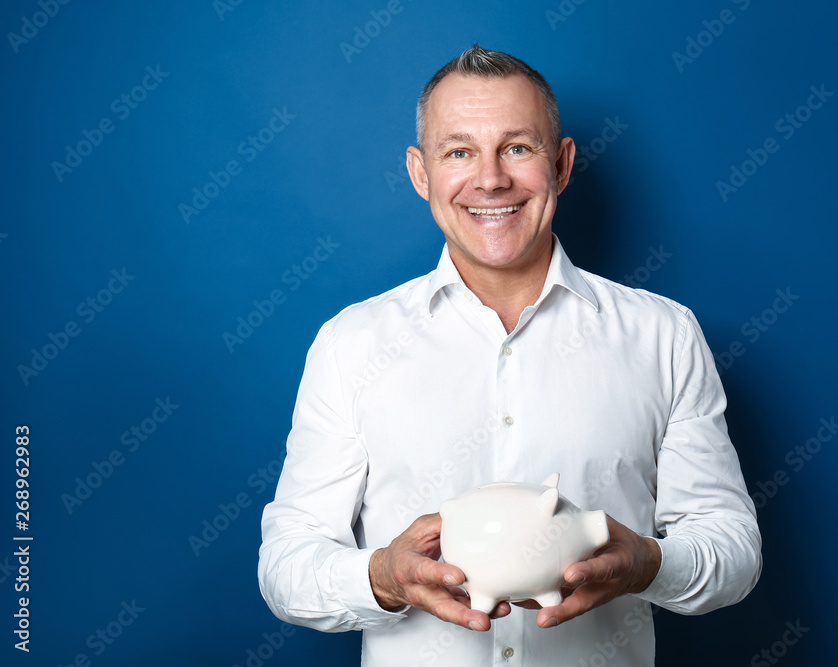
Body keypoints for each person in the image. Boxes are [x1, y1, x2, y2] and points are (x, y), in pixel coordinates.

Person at [258, 44, 761, 666]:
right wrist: (383, 576)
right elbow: (286, 565)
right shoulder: (350, 344)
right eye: (459, 152)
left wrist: (648, 563)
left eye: (518, 148)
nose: (490, 179)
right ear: (420, 173)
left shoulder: (666, 336)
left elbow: (734, 550)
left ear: (563, 164)